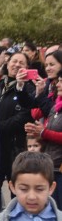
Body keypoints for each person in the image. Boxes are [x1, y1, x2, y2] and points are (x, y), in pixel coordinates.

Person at [0, 51, 35, 221]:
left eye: (21, 63)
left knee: (17, 190)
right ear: (7, 64)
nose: (16, 65)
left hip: (16, 148)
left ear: (27, 68)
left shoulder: (29, 90)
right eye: (14, 61)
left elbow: (23, 117)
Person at [25, 75, 62, 207]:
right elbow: (37, 116)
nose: (57, 85)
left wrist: (43, 132)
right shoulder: (56, 107)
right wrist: (36, 131)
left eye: (61, 82)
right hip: (52, 166)